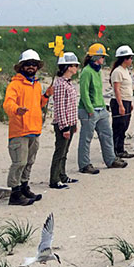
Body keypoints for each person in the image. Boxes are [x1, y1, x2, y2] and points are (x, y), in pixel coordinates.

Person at [3, 49, 51, 206]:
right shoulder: (15, 84)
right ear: (21, 66)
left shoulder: (36, 85)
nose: (31, 67)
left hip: (34, 130)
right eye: (28, 64)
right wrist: (17, 109)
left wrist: (46, 96)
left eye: (34, 64)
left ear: (37, 67)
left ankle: (24, 187)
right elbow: (8, 103)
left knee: (29, 161)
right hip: (20, 130)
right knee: (19, 162)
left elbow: (38, 105)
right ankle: (15, 193)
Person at [78, 44, 127, 173]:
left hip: (100, 109)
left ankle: (111, 160)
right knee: (86, 138)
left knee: (107, 134)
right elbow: (84, 93)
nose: (103, 59)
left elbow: (97, 92)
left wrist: (102, 106)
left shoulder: (98, 70)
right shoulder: (86, 72)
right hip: (89, 110)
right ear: (96, 57)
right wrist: (89, 109)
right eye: (102, 57)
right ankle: (84, 164)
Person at [50, 52, 80, 189]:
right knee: (60, 151)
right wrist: (65, 127)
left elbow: (71, 105)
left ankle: (62, 175)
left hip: (70, 122)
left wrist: (74, 123)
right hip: (63, 123)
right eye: (75, 65)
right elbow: (60, 106)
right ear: (68, 67)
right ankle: (54, 179)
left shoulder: (68, 83)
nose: (76, 68)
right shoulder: (60, 84)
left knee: (65, 151)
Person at [109, 46, 134, 159]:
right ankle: (116, 150)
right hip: (119, 101)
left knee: (124, 125)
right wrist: (120, 105)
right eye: (130, 58)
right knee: (119, 126)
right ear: (125, 59)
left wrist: (130, 103)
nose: (131, 60)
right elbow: (117, 89)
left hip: (127, 100)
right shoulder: (117, 71)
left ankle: (120, 148)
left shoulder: (125, 71)